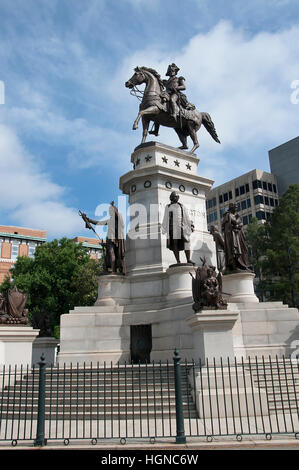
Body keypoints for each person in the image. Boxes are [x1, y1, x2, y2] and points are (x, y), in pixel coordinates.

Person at [84, 202, 126, 275]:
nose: (109, 213)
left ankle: (113, 270)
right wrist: (88, 220)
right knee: (112, 254)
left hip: (113, 240)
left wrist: (113, 207)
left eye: (110, 211)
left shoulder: (117, 220)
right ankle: (113, 270)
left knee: (112, 254)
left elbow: (98, 223)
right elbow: (98, 223)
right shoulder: (113, 220)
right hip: (113, 240)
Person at [162, 191, 194, 264]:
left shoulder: (182, 206)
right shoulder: (168, 207)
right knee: (174, 244)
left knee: (187, 242)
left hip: (181, 227)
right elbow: (165, 218)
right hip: (172, 228)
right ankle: (178, 261)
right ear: (171, 198)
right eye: (175, 196)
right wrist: (164, 227)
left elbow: (186, 217)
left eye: (177, 196)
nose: (177, 197)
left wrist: (191, 225)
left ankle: (188, 259)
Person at [221, 203, 249, 271]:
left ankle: (243, 265)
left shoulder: (237, 215)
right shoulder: (228, 215)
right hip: (233, 236)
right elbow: (227, 228)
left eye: (237, 207)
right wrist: (234, 227)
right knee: (234, 251)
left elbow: (240, 223)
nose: (236, 209)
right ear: (231, 208)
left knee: (244, 249)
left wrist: (238, 225)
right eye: (235, 207)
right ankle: (235, 266)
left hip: (239, 235)